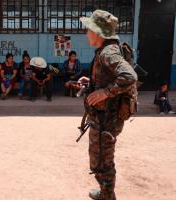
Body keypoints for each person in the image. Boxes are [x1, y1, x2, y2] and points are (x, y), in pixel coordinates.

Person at [78, 10, 138, 200]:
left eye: (89, 29)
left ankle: (108, 196)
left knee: (103, 162)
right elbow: (110, 77)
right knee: (100, 161)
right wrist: (94, 84)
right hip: (105, 118)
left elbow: (129, 76)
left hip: (107, 120)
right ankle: (105, 192)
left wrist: (105, 92)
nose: (87, 33)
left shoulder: (108, 53)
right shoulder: (107, 50)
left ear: (98, 33)